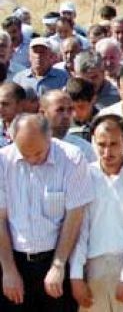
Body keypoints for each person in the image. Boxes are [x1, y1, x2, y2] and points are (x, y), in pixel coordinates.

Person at [0, 114, 93, 311]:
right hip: (14, 258)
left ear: (49, 136)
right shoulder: (3, 161)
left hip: (57, 255)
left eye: (39, 153)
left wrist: (58, 266)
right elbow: (0, 220)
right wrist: (8, 270)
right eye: (25, 154)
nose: (33, 160)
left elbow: (74, 216)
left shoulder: (71, 158)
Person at [69, 114, 123, 312]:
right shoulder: (86, 175)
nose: (107, 152)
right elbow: (80, 229)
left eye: (114, 144)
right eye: (101, 144)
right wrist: (76, 275)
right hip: (93, 268)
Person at [40, 89, 97, 163]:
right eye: (60, 110)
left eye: (70, 109)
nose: (66, 115)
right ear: (42, 113)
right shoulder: (30, 146)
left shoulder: (84, 149)